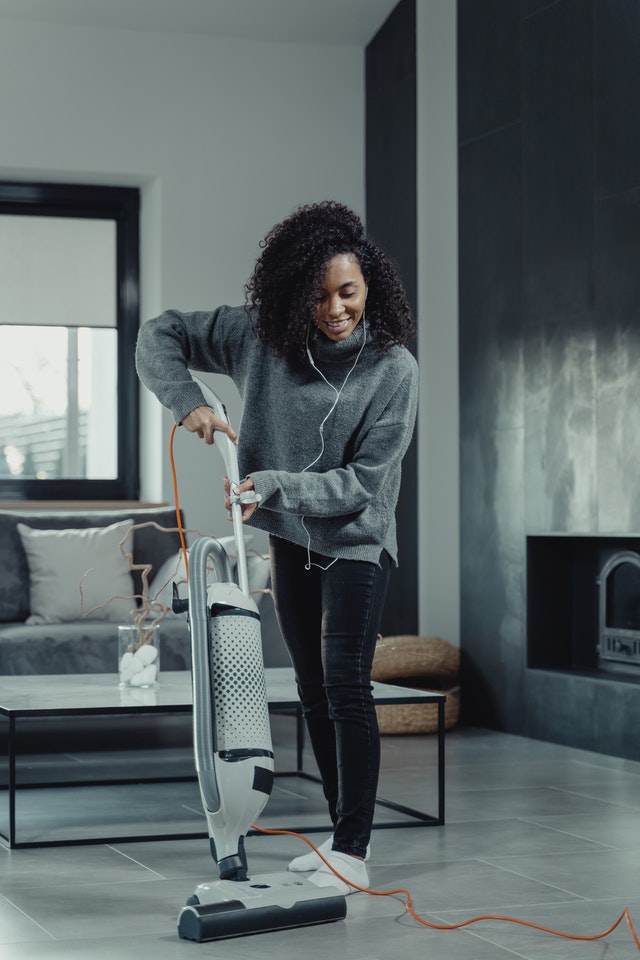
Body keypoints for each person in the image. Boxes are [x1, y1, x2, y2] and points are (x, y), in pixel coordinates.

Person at [135, 200, 418, 895]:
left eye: (347, 292)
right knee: (312, 688)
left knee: (346, 682)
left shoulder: (394, 369)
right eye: (318, 295)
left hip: (357, 537)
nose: (334, 308)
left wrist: (272, 484)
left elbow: (363, 483)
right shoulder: (257, 339)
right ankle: (335, 837)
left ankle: (354, 847)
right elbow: (158, 334)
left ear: (369, 286)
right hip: (293, 537)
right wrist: (188, 402)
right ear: (293, 293)